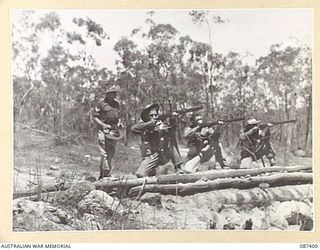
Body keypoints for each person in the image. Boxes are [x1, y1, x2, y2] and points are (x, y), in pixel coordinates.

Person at [131, 104, 183, 177]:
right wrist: (149, 124)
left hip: (162, 155)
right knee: (140, 174)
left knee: (171, 142)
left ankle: (179, 167)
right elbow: (133, 129)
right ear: (146, 117)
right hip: (152, 156)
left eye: (155, 115)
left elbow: (171, 134)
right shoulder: (145, 126)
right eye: (151, 116)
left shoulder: (161, 126)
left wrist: (173, 120)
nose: (154, 117)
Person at [93, 85, 121, 179]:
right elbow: (95, 117)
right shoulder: (101, 104)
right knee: (104, 152)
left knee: (111, 152)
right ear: (107, 94)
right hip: (103, 129)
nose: (114, 95)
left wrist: (119, 123)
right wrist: (104, 125)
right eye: (112, 93)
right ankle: (106, 174)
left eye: (115, 93)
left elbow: (118, 116)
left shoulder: (116, 104)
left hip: (114, 130)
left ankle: (103, 174)